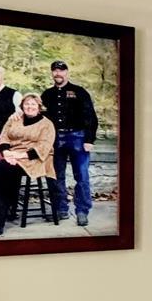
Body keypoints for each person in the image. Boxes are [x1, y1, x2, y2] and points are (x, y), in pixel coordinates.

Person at [0, 92, 56, 238]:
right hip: (12, 156)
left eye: (33, 104)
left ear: (39, 107)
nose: (29, 107)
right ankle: (3, 214)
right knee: (2, 173)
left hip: (34, 159)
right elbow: (3, 136)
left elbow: (44, 147)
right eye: (26, 104)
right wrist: (6, 153)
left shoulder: (47, 124)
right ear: (22, 106)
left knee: (1, 170)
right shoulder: (15, 119)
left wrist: (18, 156)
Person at [41, 59, 99, 227]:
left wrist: (89, 139)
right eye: (55, 70)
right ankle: (61, 209)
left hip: (78, 138)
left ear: (67, 72)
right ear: (52, 73)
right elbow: (40, 118)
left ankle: (82, 211)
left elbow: (90, 116)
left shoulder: (79, 92)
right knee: (56, 176)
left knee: (81, 176)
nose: (58, 73)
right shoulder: (47, 94)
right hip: (55, 139)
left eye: (61, 70)